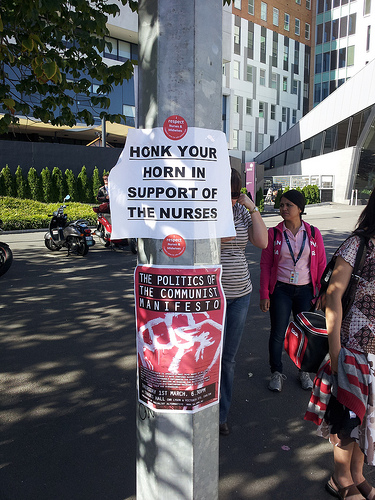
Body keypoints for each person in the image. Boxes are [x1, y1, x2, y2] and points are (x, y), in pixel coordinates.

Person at [305, 188, 375, 500]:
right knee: (346, 418)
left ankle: (357, 474)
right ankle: (340, 478)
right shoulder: (357, 244)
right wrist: (336, 356)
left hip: (374, 354)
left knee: (366, 418)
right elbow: (334, 295)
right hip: (352, 348)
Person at [259, 189, 326, 392]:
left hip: (305, 290)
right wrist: (264, 294)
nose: (284, 208)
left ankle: (303, 371)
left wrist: (322, 293)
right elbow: (265, 265)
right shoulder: (274, 233)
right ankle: (276, 372)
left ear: (300, 208)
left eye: (289, 205)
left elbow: (322, 265)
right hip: (280, 290)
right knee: (278, 333)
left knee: (305, 333)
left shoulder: (313, 234)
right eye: (281, 205)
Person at [219, 168, 268, 435]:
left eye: (236, 193)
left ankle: (221, 414)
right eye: (227, 192)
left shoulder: (240, 210)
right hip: (211, 295)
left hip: (240, 292)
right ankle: (200, 408)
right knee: (207, 356)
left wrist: (252, 208)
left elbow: (262, 241)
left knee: (228, 358)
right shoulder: (208, 211)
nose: (233, 198)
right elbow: (223, 237)